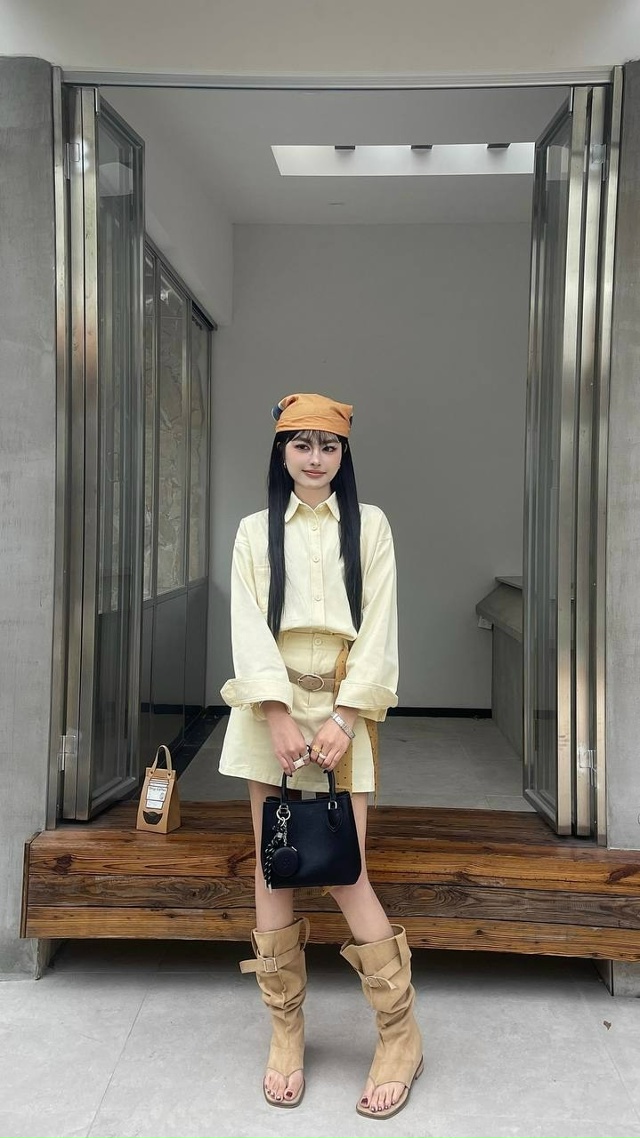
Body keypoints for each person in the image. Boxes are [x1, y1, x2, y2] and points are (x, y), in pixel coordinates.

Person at [219, 392, 423, 1119]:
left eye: (328, 445)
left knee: (345, 871)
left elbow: (381, 624)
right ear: (281, 451)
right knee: (274, 870)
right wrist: (275, 713)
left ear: (344, 454)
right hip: (267, 711)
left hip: (345, 708)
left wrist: (346, 715)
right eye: (301, 444)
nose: (315, 458)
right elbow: (247, 625)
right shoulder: (253, 532)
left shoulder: (370, 526)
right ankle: (285, 1032)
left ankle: (400, 1034)